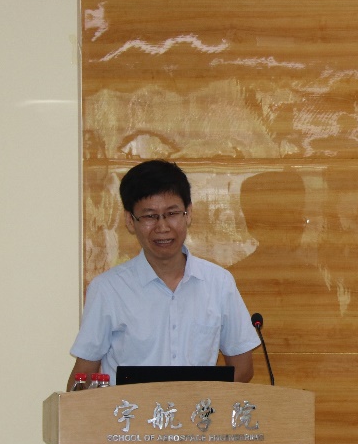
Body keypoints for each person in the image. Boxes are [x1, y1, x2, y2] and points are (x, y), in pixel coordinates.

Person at [68, 159, 259, 388]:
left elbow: (243, 368)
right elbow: (83, 378)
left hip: (198, 411)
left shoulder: (218, 283)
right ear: (130, 221)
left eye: (172, 213)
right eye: (150, 216)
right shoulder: (108, 289)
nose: (162, 227)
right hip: (130, 411)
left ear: (188, 214)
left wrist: (195, 400)